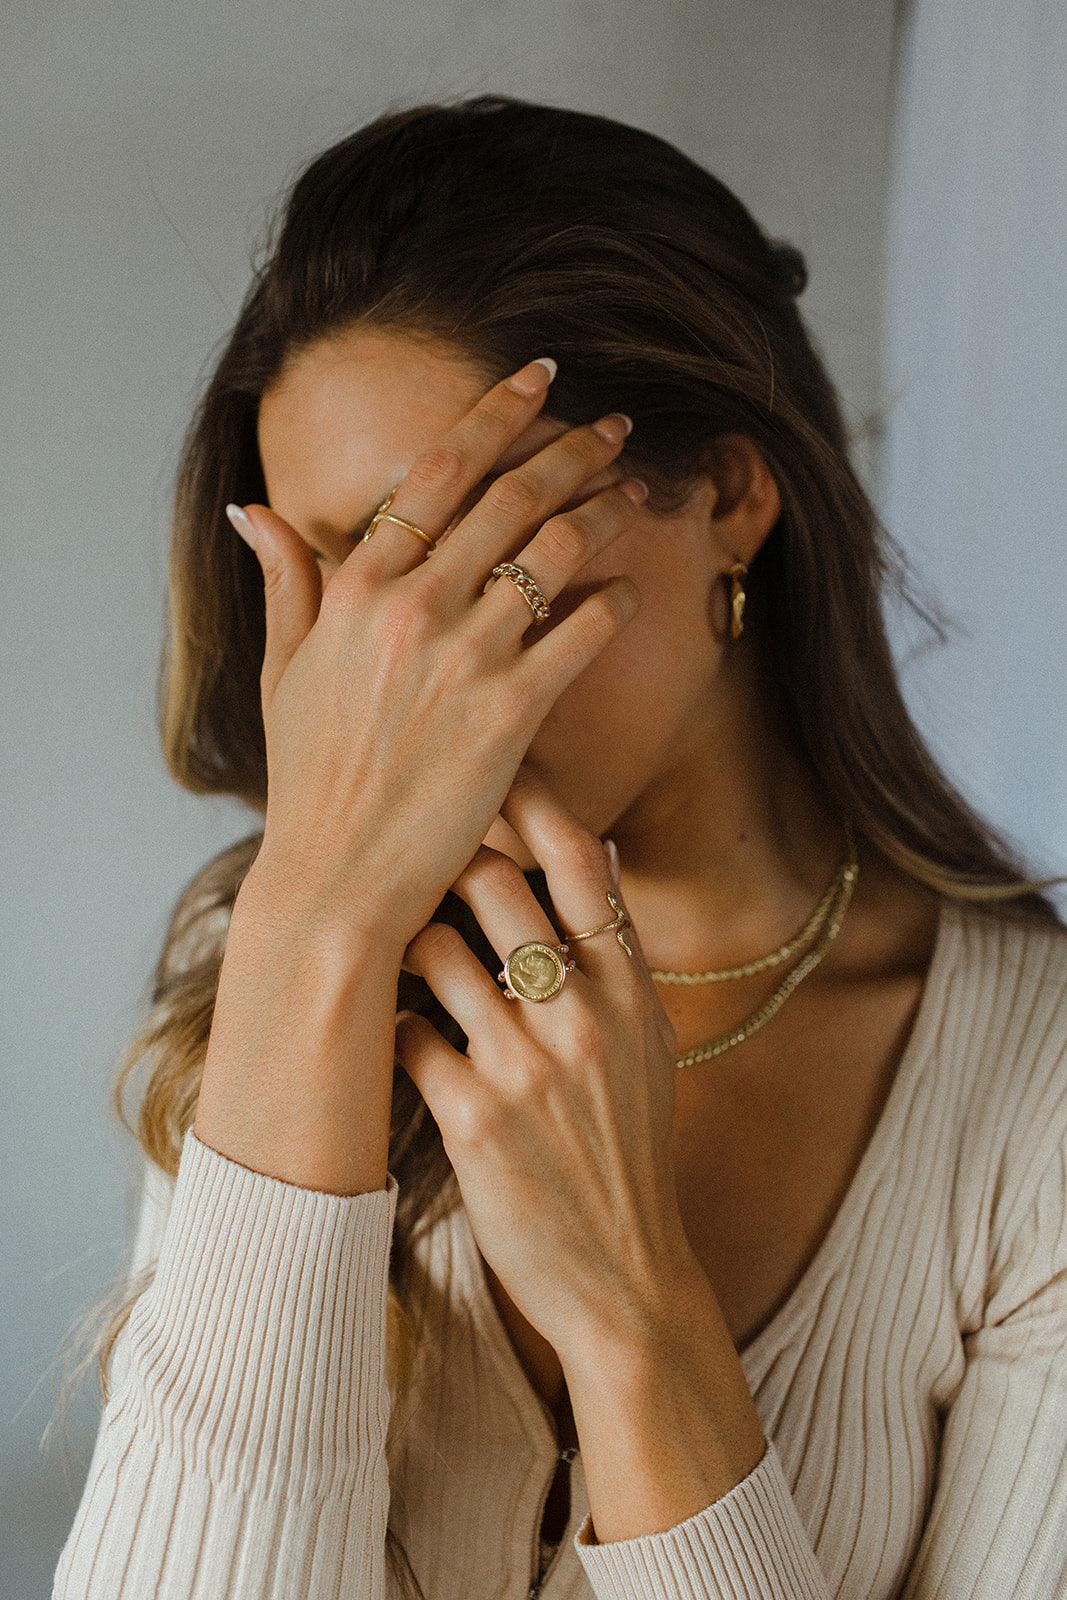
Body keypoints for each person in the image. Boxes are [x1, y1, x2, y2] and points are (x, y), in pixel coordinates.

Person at [54, 97, 1067, 1600]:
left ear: (727, 495)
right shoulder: (256, 958)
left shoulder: (1036, 1093)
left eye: (454, 545)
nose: (386, 662)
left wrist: (636, 1310)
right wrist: (312, 932)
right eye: (332, 575)